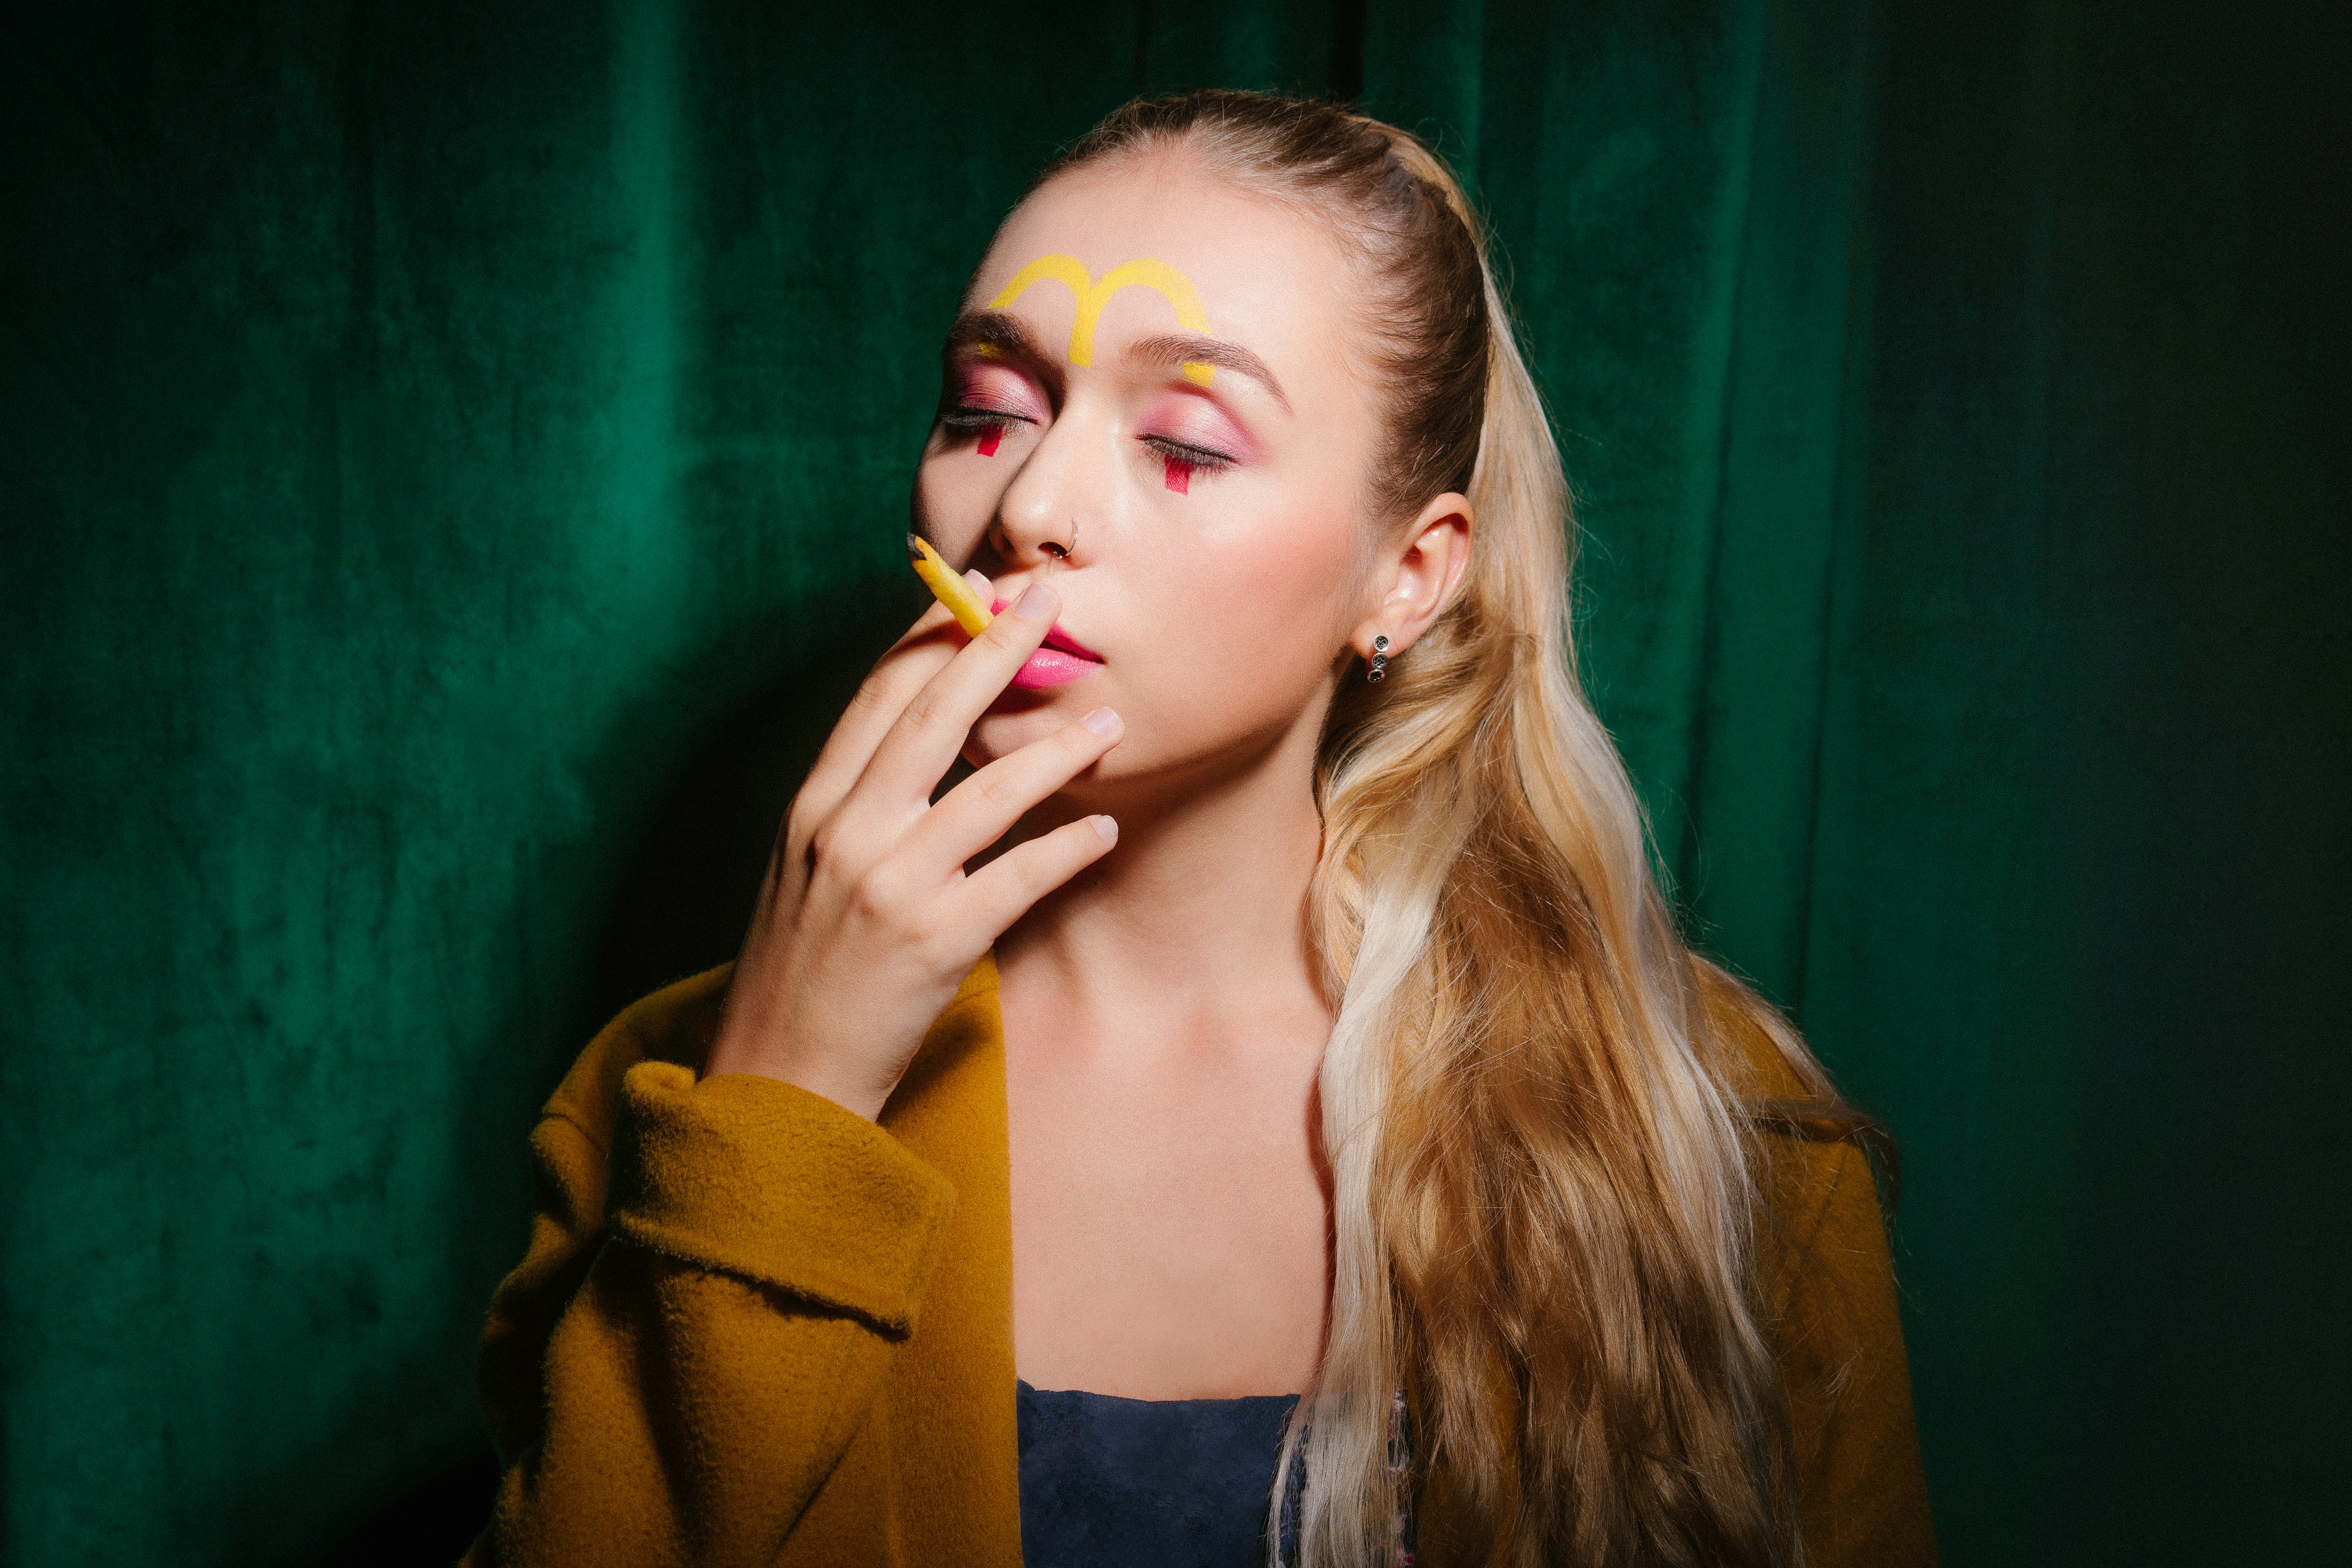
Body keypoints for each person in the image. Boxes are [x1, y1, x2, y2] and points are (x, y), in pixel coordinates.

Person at [464, 90, 1936, 1568]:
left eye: (1184, 444)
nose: (1030, 505)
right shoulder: (670, 1102)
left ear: (1406, 580)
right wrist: (786, 1099)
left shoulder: (1699, 1125)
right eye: (986, 414)